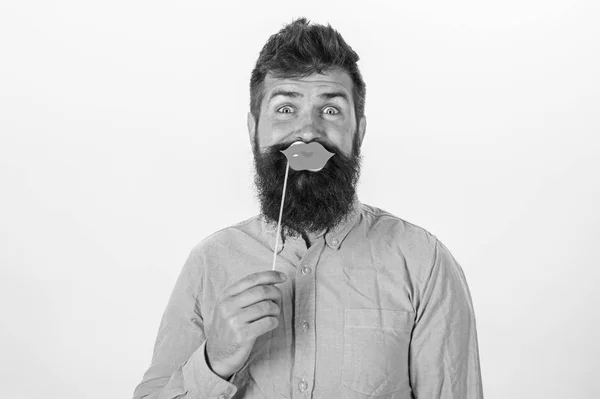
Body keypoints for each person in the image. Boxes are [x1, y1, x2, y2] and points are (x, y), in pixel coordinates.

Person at [133, 17, 484, 399]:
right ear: (253, 129)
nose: (307, 132)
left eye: (330, 110)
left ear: (359, 131)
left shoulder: (424, 263)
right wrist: (214, 361)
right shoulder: (208, 263)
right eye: (285, 109)